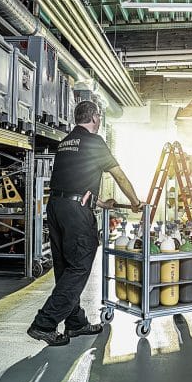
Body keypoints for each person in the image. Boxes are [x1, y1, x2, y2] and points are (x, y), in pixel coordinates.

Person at [27, 100, 143, 346]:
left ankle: (75, 322)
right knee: (79, 267)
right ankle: (44, 324)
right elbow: (119, 175)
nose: (99, 121)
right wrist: (134, 202)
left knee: (65, 267)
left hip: (56, 207)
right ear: (94, 118)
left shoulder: (65, 142)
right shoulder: (94, 141)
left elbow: (74, 183)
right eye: (99, 117)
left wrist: (101, 203)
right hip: (76, 212)